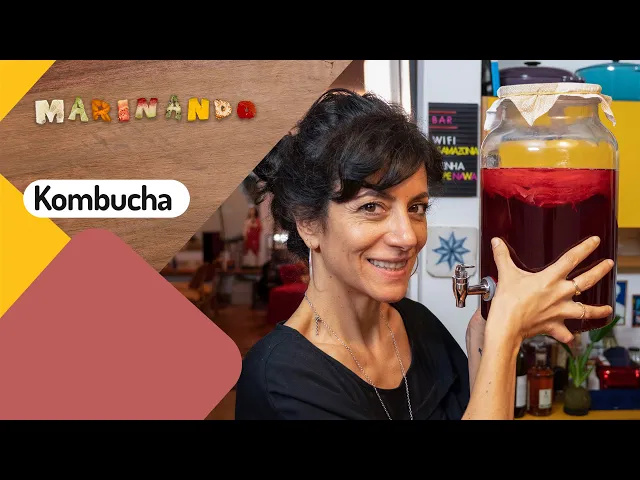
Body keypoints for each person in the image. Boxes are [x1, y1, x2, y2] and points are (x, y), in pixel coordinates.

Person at [234, 88, 614, 420]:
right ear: (308, 224)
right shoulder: (281, 379)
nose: (407, 237)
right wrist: (506, 335)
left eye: (416, 208)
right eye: (371, 207)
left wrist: (485, 331)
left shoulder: (417, 324)